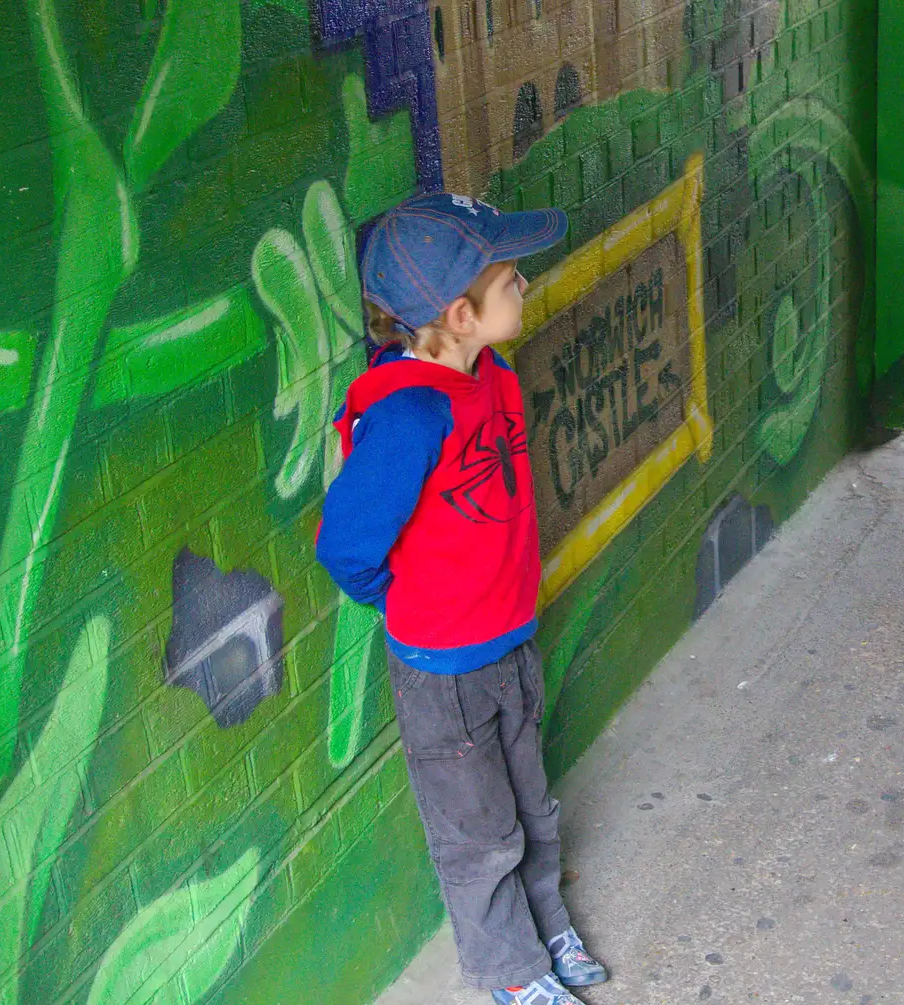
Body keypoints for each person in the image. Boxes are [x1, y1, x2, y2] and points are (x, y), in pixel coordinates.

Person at [316, 193, 606, 1005]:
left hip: (510, 641)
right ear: (459, 313)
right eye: (511, 279)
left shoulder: (495, 378)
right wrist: (413, 605)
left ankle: (546, 927)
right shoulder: (408, 416)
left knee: (530, 808)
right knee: (478, 838)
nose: (525, 286)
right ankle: (508, 970)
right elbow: (346, 548)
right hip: (442, 672)